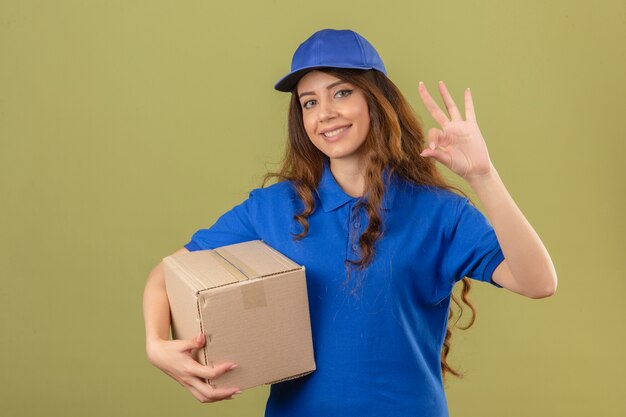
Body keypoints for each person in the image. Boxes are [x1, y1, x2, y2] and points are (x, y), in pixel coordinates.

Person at [143, 28, 557, 416]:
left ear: (375, 101)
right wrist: (156, 344)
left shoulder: (438, 212)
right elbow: (165, 276)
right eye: (309, 102)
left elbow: (538, 282)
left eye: (341, 92)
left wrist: (482, 175)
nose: (325, 114)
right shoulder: (272, 208)